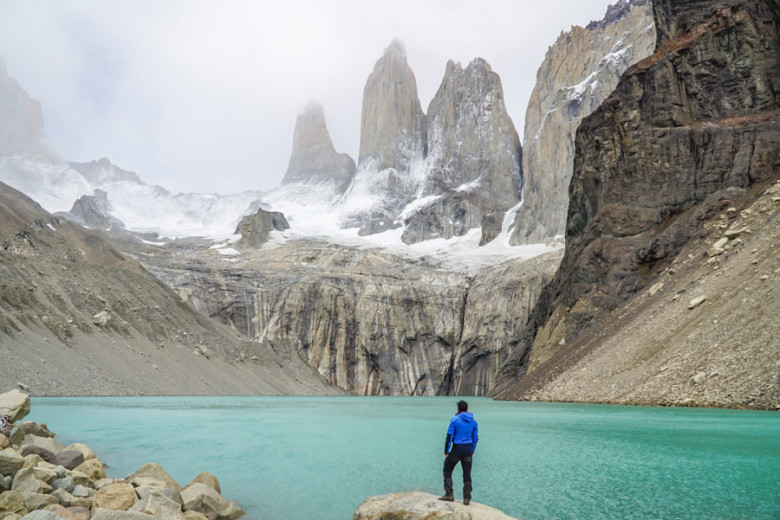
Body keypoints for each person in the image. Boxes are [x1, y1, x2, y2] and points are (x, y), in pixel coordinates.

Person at [439, 400, 478, 505]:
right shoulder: (473, 422)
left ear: (458, 409)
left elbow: (449, 436)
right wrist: (472, 450)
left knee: (447, 469)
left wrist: (446, 451)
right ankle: (467, 498)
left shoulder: (455, 419)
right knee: (467, 474)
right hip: (468, 450)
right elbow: (475, 438)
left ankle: (449, 494)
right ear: (466, 409)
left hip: (457, 449)